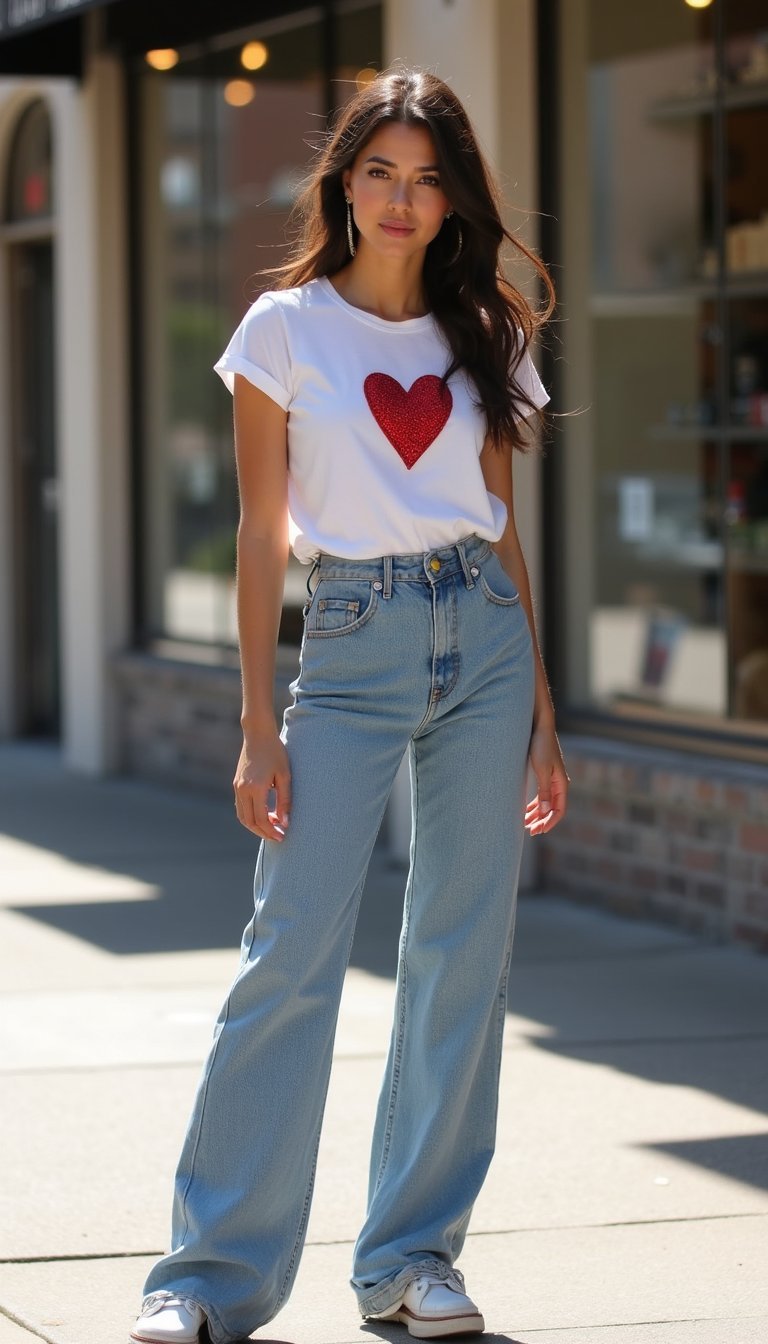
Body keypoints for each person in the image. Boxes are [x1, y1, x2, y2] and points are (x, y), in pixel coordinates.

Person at [130, 64, 568, 1344]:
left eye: (428, 178)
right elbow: (262, 538)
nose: (401, 196)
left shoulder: (486, 331)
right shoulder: (284, 330)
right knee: (292, 953)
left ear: (451, 202)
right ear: (344, 182)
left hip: (482, 640)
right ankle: (206, 1281)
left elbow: (501, 530)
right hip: (353, 635)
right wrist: (258, 722)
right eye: (380, 170)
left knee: (461, 956)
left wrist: (543, 705)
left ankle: (413, 1259)